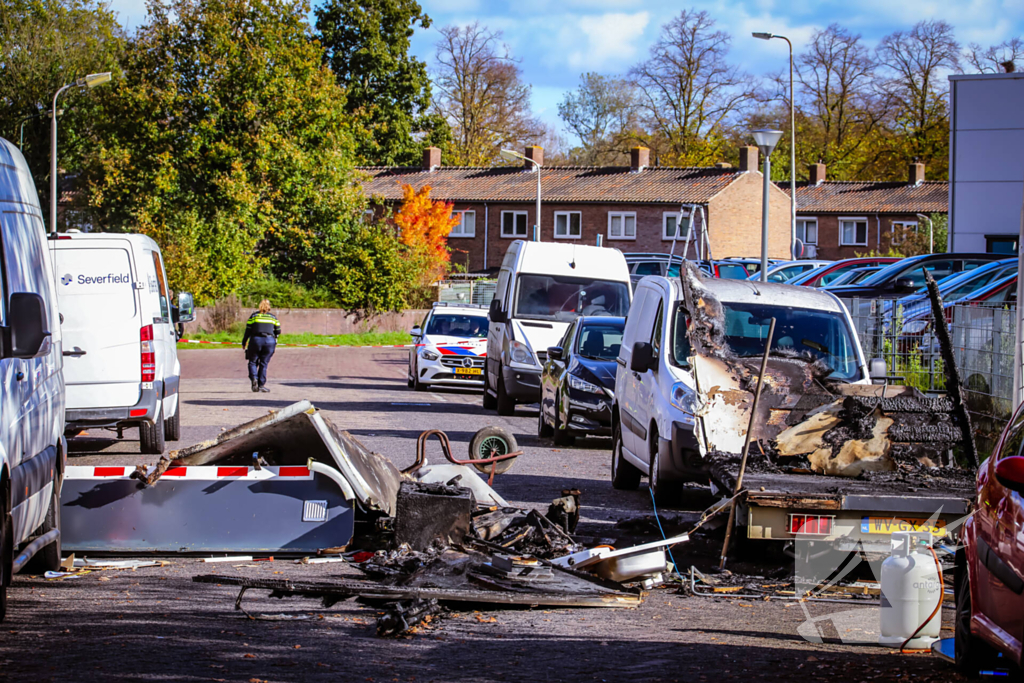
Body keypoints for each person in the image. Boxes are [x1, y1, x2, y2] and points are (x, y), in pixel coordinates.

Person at [242, 299, 281, 392]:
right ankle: (261, 385)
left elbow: (248, 330)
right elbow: (278, 330)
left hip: (256, 340)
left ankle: (254, 379)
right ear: (269, 307)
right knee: (264, 363)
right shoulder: (273, 317)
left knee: (252, 361)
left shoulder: (254, 316)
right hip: (269, 341)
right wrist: (274, 337)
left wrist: (244, 342)